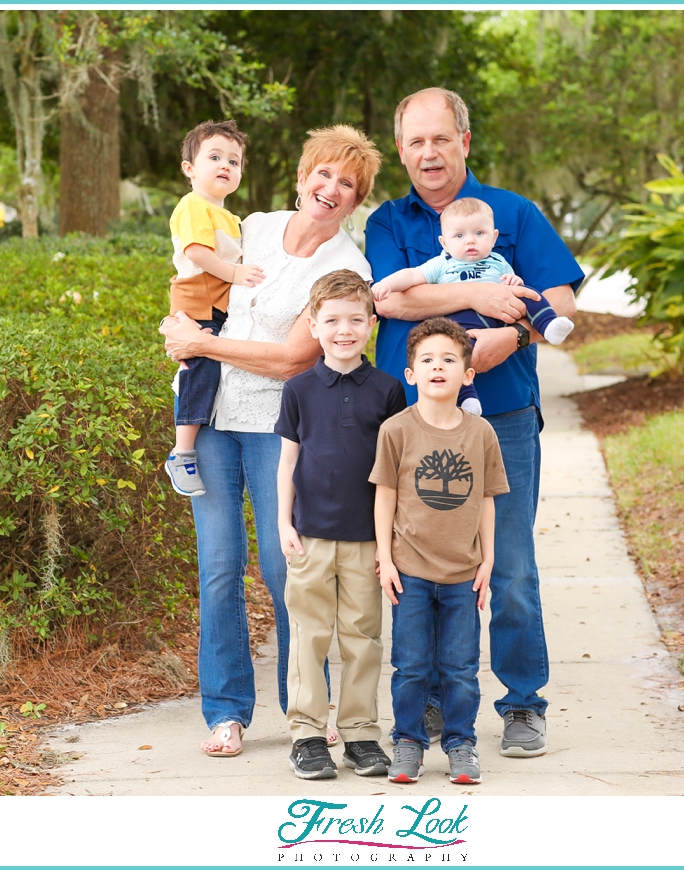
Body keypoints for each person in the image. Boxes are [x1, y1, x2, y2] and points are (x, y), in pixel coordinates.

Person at [365, 87, 584, 758]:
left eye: (440, 139)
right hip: (415, 421)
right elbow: (392, 302)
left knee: (509, 563)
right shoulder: (385, 222)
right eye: (414, 142)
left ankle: (522, 704)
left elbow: (561, 297)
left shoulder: (515, 213)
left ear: (465, 140)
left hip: (503, 416)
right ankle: (432, 701)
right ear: (401, 151)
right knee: (423, 564)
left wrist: (512, 337)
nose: (428, 153)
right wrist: (481, 295)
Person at [160, 125, 382, 758]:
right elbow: (195, 274)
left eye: (347, 183)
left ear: (355, 198)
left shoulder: (346, 266)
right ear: (302, 174)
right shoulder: (254, 225)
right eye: (324, 173)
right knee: (219, 568)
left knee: (287, 569)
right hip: (209, 419)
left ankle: (305, 709)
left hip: (277, 426)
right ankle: (226, 711)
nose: (331, 188)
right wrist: (181, 327)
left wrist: (203, 343)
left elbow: (291, 360)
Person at [275, 270, 406, 780]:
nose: (344, 330)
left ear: (371, 324)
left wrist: (389, 541)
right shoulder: (299, 390)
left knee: (362, 636)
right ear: (313, 324)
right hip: (308, 535)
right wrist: (283, 523)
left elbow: (393, 472)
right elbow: (287, 463)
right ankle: (307, 734)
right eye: (331, 320)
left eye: (355, 319)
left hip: (366, 539)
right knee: (308, 634)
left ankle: (359, 734)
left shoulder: (388, 389)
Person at [371, 318, 509, 784]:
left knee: (460, 668)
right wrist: (385, 559)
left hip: (462, 574)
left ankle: (460, 744)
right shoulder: (396, 430)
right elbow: (384, 496)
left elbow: (487, 499)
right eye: (426, 360)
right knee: (409, 666)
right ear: (410, 374)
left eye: (449, 360)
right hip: (409, 571)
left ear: (467, 374)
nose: (437, 367)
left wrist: (488, 559)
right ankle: (408, 742)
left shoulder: (481, 433)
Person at [370, 196, 574, 415]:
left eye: (479, 233)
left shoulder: (498, 260)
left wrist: (514, 289)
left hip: (502, 342)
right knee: (457, 351)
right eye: (459, 235)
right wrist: (387, 284)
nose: (470, 241)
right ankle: (467, 398)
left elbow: (525, 286)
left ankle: (548, 325)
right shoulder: (442, 263)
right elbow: (410, 277)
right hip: (460, 326)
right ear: (444, 243)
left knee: (530, 294)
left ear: (494, 237)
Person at [162, 119, 266, 498]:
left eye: (234, 161)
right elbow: (197, 253)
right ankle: (182, 451)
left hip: (220, 307)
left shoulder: (230, 216)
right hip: (196, 302)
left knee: (218, 368)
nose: (226, 165)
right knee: (199, 369)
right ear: (190, 169)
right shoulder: (193, 206)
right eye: (215, 157)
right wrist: (237, 273)